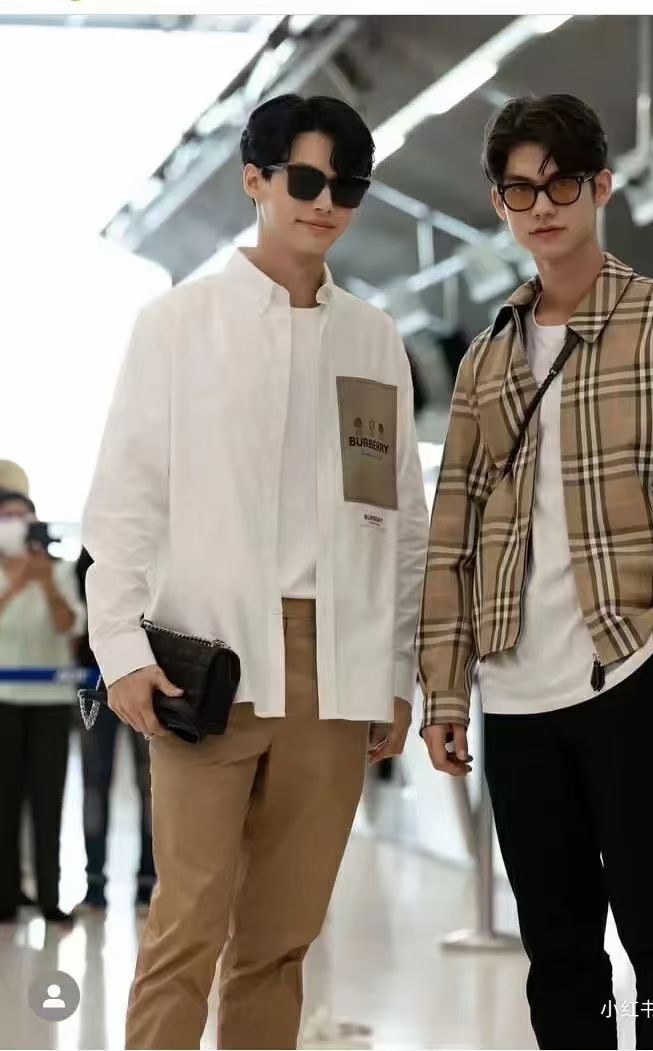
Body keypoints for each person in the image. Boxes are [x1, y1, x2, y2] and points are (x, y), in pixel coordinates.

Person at [81, 94, 428, 1050]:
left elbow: (401, 522)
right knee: (184, 930)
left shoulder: (373, 338)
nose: (325, 203)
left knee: (280, 941)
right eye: (306, 180)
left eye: (347, 188)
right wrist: (119, 649)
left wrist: (396, 674)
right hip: (209, 662)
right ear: (255, 180)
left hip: (333, 669)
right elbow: (126, 500)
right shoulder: (178, 325)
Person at [417, 95, 653, 1051]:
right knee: (559, 956)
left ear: (601, 187)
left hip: (630, 675)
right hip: (516, 694)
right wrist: (447, 688)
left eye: (561, 183)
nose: (542, 205)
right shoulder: (486, 358)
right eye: (520, 190)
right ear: (499, 203)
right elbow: (454, 535)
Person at [0, 461, 86, 926]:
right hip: (3, 700)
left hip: (51, 701)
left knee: (48, 798)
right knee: (5, 799)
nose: (16, 525)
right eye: (7, 517)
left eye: (24, 517)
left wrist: (46, 581)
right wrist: (15, 584)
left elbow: (70, 627)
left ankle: (50, 894)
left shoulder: (60, 571)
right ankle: (6, 894)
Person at [74, 547, 156, 913]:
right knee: (95, 782)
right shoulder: (93, 550)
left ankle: (148, 880)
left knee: (151, 784)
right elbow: (83, 609)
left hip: (147, 677)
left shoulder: (152, 543)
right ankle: (94, 881)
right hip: (96, 679)